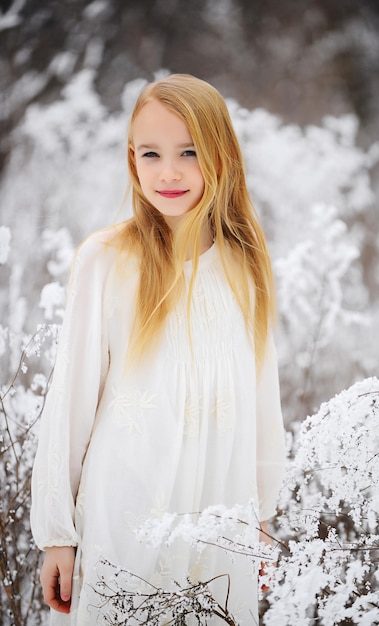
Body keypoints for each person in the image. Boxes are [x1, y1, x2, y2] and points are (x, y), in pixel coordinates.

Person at [31, 73, 286, 625]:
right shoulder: (105, 260)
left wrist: (262, 517)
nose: (168, 172)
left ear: (221, 157)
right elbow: (69, 405)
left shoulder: (246, 269)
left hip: (222, 521)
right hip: (123, 513)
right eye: (151, 153)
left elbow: (264, 405)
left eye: (189, 152)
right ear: (132, 159)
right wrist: (57, 535)